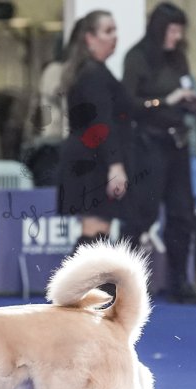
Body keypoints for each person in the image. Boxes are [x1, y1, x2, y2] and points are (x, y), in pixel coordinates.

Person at [122, 2, 196, 304]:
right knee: (141, 215)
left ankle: (179, 281)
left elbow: (181, 91)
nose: (177, 36)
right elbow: (129, 104)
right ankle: (123, 285)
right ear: (159, 29)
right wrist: (164, 101)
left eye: (180, 30)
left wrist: (190, 103)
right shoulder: (137, 58)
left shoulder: (178, 58)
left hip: (177, 142)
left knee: (182, 215)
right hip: (148, 144)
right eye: (172, 30)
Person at [56, 11, 134, 249]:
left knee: (98, 235)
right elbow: (102, 122)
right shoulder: (93, 75)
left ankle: (85, 275)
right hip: (93, 161)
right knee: (95, 233)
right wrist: (115, 164)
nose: (115, 36)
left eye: (115, 30)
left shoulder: (91, 71)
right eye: (108, 31)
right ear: (90, 38)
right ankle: (77, 275)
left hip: (89, 157)